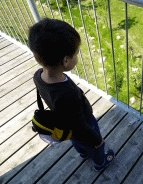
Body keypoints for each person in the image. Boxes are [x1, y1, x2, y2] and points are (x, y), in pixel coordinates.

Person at [28, 18, 115, 172]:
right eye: (76, 53)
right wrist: (97, 140)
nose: (77, 56)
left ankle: (82, 153)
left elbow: (73, 126)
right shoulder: (68, 94)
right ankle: (100, 162)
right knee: (92, 144)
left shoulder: (38, 75)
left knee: (75, 139)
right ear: (66, 60)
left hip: (65, 123)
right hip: (85, 122)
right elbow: (80, 126)